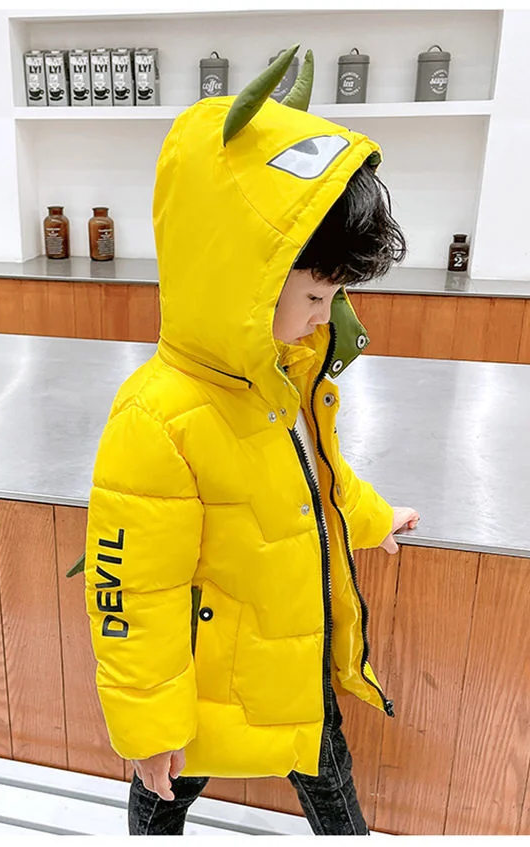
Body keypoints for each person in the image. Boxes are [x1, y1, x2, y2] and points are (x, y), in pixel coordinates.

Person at [83, 50, 420, 836]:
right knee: (164, 788)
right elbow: (131, 590)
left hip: (297, 666)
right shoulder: (157, 416)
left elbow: (317, 483)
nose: (323, 317)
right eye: (314, 295)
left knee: (334, 789)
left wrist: (374, 518)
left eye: (334, 296)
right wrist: (149, 724)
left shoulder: (284, 377)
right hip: (206, 684)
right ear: (240, 277)